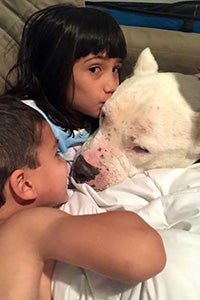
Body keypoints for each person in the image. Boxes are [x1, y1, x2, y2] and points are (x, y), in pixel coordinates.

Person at [0, 96, 166, 300]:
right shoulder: (27, 229)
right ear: (25, 185)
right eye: (56, 155)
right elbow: (144, 255)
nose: (67, 162)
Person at [5, 4, 127, 168]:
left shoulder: (95, 119)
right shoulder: (26, 123)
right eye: (94, 69)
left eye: (116, 69)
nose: (112, 85)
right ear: (53, 69)